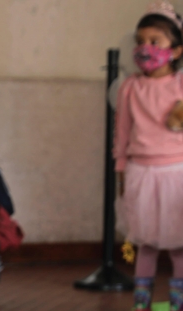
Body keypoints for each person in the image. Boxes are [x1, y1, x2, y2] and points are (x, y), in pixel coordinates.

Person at [114, 2, 183, 310]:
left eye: (155, 42)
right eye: (141, 41)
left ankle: (176, 303)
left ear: (177, 51)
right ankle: (141, 304)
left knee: (180, 245)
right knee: (147, 243)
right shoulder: (130, 87)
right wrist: (121, 171)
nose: (145, 48)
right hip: (140, 172)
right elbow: (123, 132)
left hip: (177, 173)